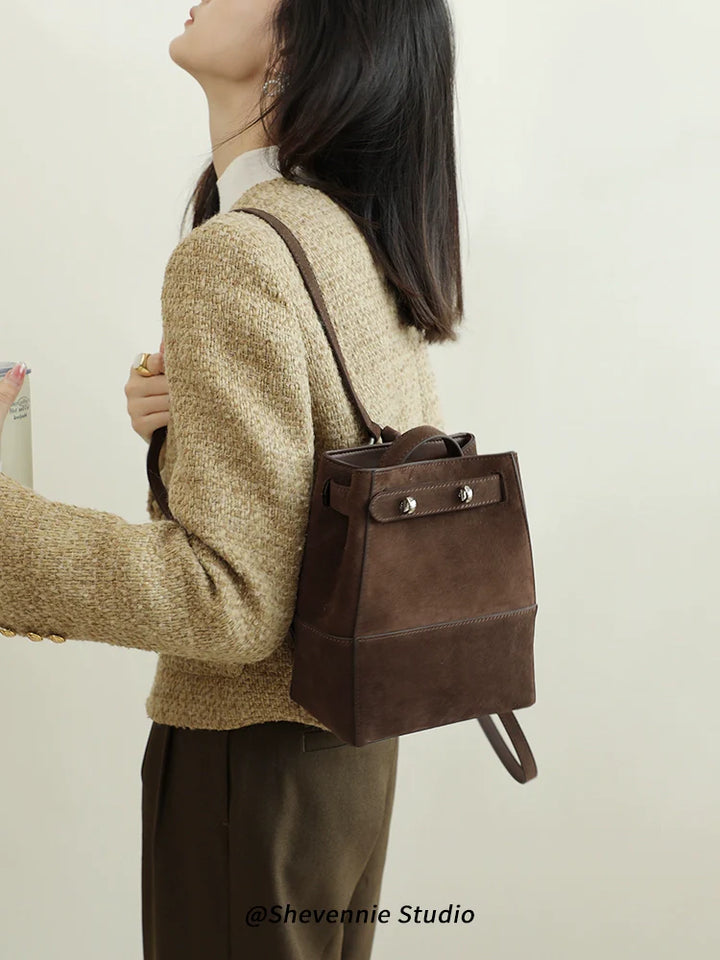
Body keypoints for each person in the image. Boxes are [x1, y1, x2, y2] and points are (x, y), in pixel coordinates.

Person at [0, 1, 463, 957]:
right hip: (346, 753)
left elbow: (230, 603)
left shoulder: (239, 253)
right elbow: (315, 503)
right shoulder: (357, 237)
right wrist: (184, 437)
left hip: (244, 768)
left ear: (302, 41)